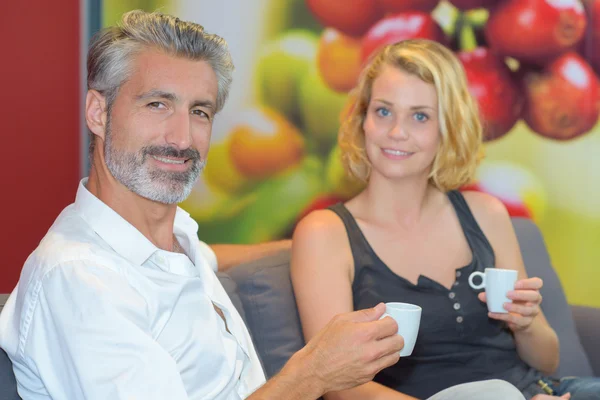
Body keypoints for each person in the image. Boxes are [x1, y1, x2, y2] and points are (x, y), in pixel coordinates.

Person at [0, 11, 525, 400]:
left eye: (200, 111)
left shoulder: (173, 241)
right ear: (98, 110)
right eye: (156, 103)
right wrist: (312, 374)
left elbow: (206, 254)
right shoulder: (80, 281)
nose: (182, 137)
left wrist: (313, 246)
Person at [291, 39, 600, 400]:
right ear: (362, 120)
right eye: (383, 111)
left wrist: (526, 324)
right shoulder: (325, 233)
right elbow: (337, 385)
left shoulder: (485, 214)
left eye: (420, 116)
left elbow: (547, 360)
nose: (396, 132)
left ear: (447, 130)